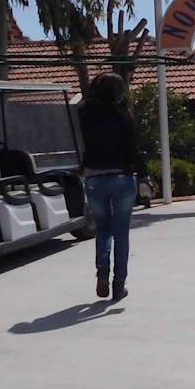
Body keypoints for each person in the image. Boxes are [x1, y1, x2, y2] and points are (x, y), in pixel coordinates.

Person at [79, 73, 139, 301]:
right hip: (122, 176)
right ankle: (119, 284)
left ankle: (102, 273)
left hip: (94, 177)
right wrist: (143, 175)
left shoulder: (84, 114)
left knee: (103, 229)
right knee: (121, 232)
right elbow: (132, 148)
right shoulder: (123, 115)